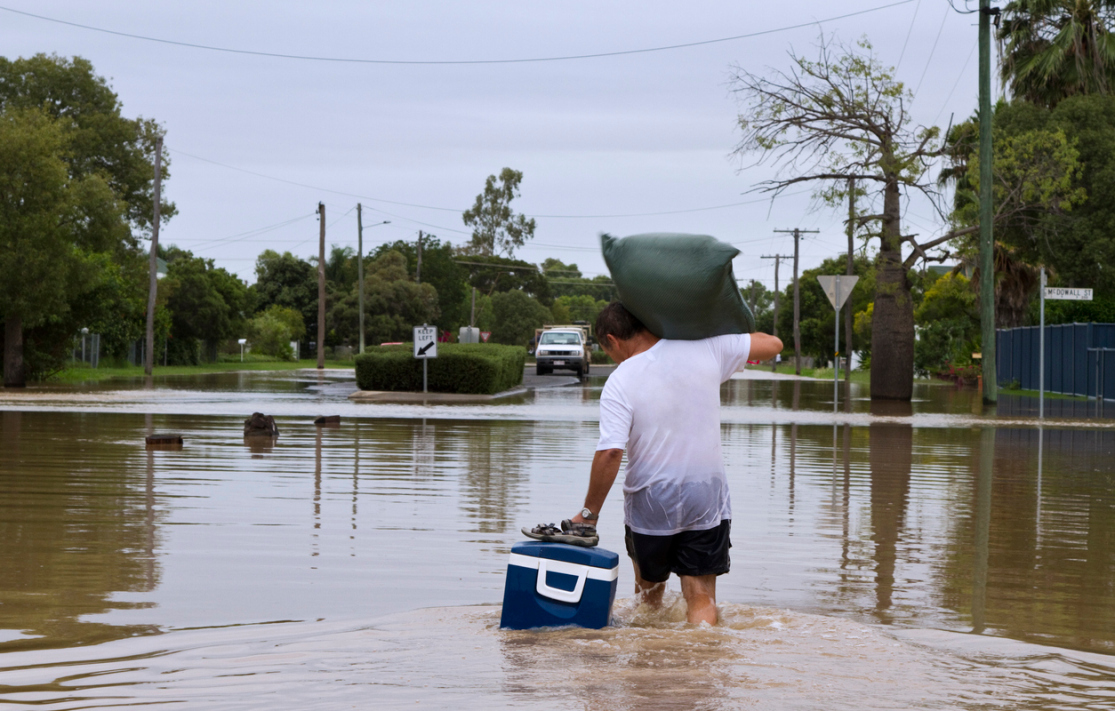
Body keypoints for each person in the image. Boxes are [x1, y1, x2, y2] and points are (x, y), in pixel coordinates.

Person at [569, 302, 783, 625]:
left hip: (650, 501)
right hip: (706, 498)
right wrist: (714, 330)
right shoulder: (707, 348)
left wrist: (588, 515)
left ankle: (652, 666)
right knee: (701, 597)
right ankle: (702, 658)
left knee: (648, 599)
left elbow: (610, 453)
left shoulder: (621, 380)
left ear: (612, 340)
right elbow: (773, 345)